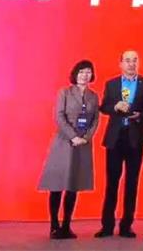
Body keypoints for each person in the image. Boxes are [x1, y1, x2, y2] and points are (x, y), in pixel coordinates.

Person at [38, 60, 100, 239]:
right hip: (64, 142)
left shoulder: (93, 96)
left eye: (88, 72)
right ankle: (54, 225)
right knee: (57, 184)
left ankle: (66, 225)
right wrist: (73, 136)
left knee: (74, 185)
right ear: (75, 74)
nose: (84, 75)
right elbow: (59, 116)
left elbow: (96, 119)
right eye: (81, 72)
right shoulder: (64, 93)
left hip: (83, 144)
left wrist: (86, 137)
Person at [96, 50, 143, 238]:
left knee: (132, 182)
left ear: (138, 63)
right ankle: (107, 225)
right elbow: (104, 107)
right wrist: (115, 107)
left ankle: (126, 225)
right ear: (120, 64)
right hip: (115, 138)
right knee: (112, 182)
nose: (131, 64)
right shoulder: (111, 84)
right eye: (127, 60)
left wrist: (141, 115)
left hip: (136, 137)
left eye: (134, 60)